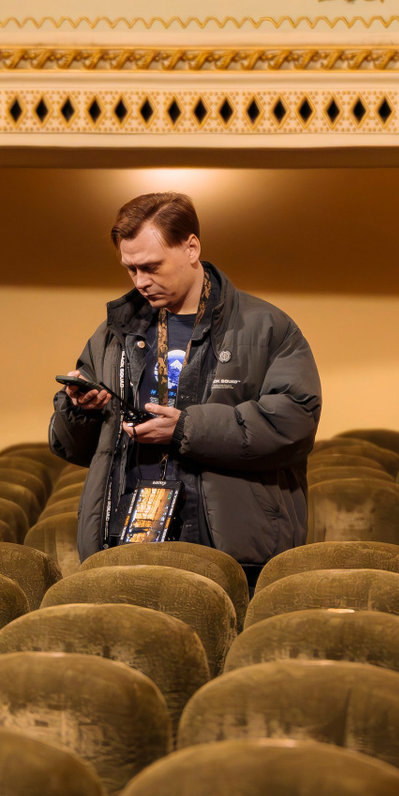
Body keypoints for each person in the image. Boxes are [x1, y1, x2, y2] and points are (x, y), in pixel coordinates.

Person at [51, 191, 321, 585]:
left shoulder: (265, 327)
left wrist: (185, 429)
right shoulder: (113, 333)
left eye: (152, 267)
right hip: (128, 536)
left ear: (191, 248)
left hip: (230, 548)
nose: (141, 282)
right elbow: (73, 448)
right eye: (131, 269)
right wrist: (81, 410)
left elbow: (293, 424)